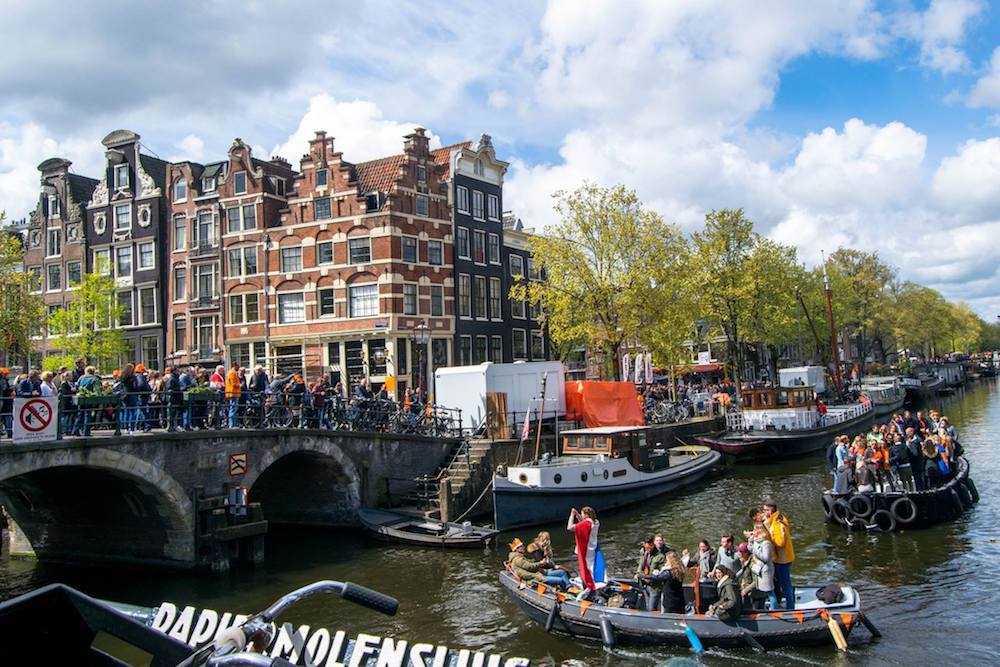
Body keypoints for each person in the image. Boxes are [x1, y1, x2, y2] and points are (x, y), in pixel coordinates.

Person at [763, 499, 795, 610]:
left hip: (782, 559)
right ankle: (783, 601)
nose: (764, 512)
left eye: (765, 510)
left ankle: (790, 607)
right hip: (781, 558)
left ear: (771, 510)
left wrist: (767, 539)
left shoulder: (777, 523)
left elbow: (780, 542)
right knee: (782, 582)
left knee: (785, 584)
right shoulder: (776, 519)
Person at [567, 507, 601, 592]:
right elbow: (583, 522)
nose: (581, 515)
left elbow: (570, 527)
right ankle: (592, 583)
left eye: (582, 514)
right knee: (591, 568)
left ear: (586, 515)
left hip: (585, 550)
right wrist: (577, 515)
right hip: (593, 549)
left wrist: (572, 516)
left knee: (585, 570)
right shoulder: (596, 522)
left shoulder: (586, 524)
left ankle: (587, 587)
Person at [747, 522, 778, 610]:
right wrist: (750, 540)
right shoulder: (757, 541)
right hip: (759, 569)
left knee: (770, 591)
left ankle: (774, 609)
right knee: (763, 591)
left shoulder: (766, 543)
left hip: (766, 570)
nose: (753, 531)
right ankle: (764, 607)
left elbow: (766, 558)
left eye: (755, 530)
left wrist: (754, 550)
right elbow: (750, 549)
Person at [225, 361, 242, 428]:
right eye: (238, 366)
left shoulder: (231, 372)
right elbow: (233, 384)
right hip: (233, 393)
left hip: (233, 393)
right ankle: (232, 425)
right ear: (235, 366)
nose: (239, 367)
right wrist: (240, 385)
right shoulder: (232, 373)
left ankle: (232, 424)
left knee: (233, 408)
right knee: (233, 408)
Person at [0, 368, 13, 438]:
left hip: (3, 400)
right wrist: (11, 389)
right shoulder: (3, 380)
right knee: (7, 417)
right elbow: (4, 390)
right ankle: (9, 433)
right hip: (4, 401)